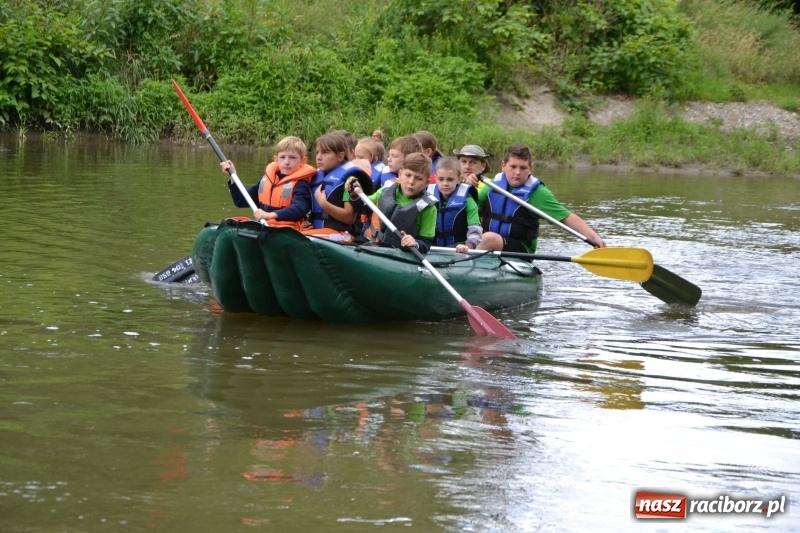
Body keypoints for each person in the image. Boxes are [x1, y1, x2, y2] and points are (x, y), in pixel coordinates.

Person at [476, 143, 606, 253]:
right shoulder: (492, 185)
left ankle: (464, 264)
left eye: (523, 168)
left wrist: (594, 238)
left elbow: (566, 217)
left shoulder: (538, 193)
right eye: (513, 167)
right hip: (489, 245)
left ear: (530, 169)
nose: (517, 172)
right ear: (503, 165)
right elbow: (468, 208)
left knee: (488, 238)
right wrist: (468, 187)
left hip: (520, 250)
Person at [346, 152, 437, 254]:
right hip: (370, 242)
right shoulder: (386, 189)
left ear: (426, 183)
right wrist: (354, 194)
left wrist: (415, 243)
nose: (411, 182)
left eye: (418, 178)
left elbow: (426, 243)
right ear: (400, 174)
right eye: (408, 175)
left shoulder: (428, 208)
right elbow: (362, 208)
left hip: (397, 253)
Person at [220, 136, 316, 229]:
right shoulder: (267, 180)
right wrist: (233, 176)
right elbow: (240, 200)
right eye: (282, 157)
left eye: (292, 157)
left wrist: (270, 215)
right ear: (276, 160)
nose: (287, 162)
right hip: (264, 227)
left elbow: (299, 209)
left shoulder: (301, 184)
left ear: (303, 161)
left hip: (287, 231)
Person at [304, 131, 373, 242]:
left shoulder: (349, 179)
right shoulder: (316, 176)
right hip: (319, 231)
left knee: (296, 238)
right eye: (317, 152)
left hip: (340, 234)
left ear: (340, 156)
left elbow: (349, 218)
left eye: (325, 152)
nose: (319, 157)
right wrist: (304, 222)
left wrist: (324, 204)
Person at [426, 157, 482, 253]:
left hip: (459, 248)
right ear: (435, 178)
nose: (445, 183)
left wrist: (468, 246)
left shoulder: (468, 201)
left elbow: (475, 229)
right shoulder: (427, 196)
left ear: (459, 179)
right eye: (441, 179)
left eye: (450, 179)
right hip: (433, 247)